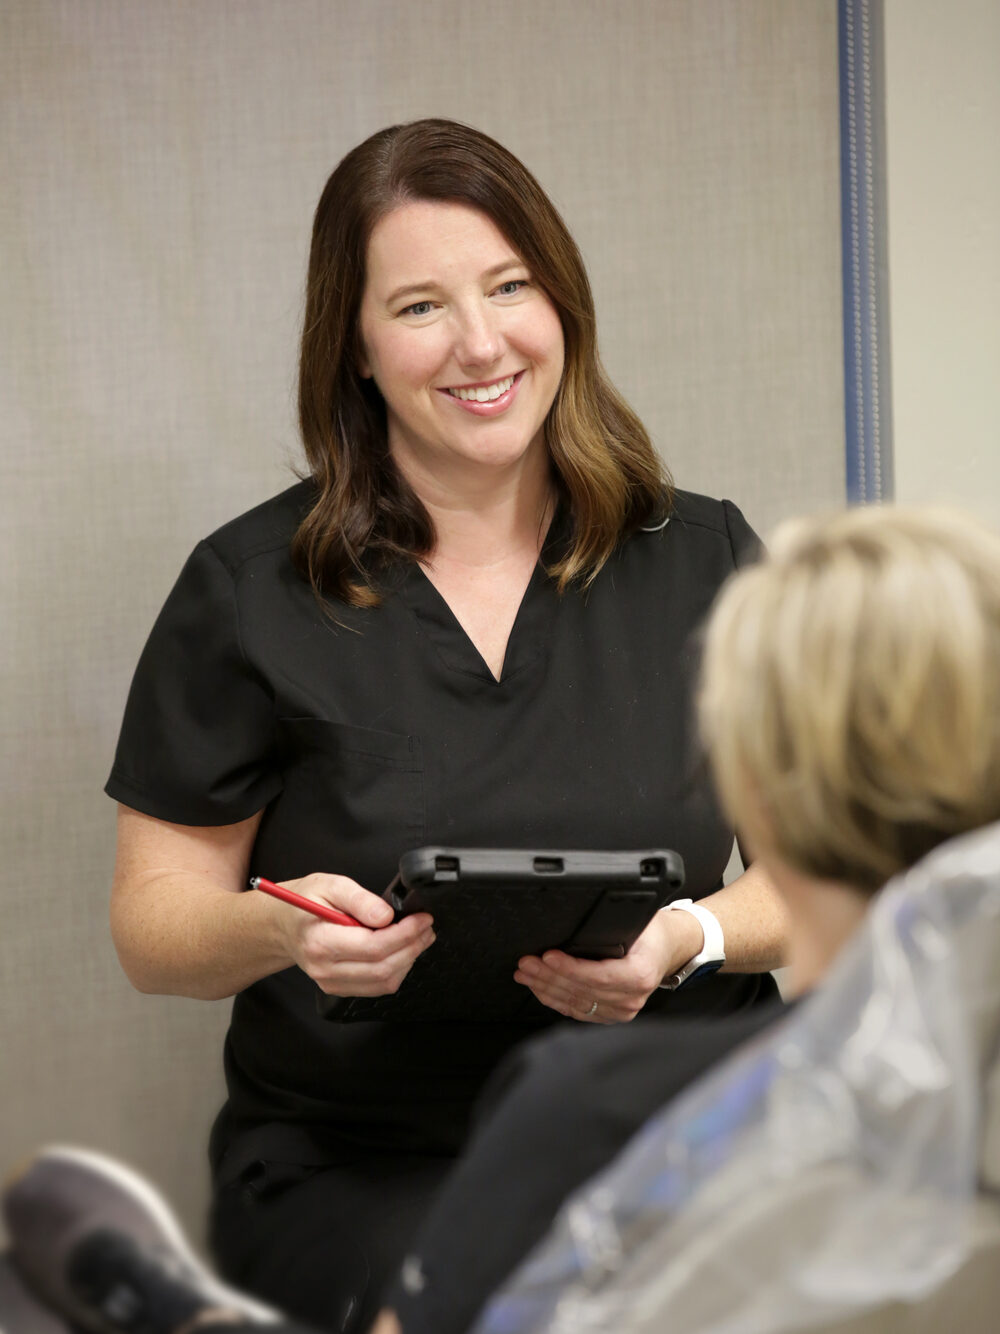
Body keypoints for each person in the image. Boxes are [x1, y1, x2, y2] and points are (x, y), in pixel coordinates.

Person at [104, 117, 786, 1332]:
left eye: (510, 286)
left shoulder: (706, 558)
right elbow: (154, 927)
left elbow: (813, 880)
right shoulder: (250, 586)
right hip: (367, 1151)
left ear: (560, 303)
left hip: (673, 1111)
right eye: (419, 306)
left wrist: (683, 934)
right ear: (355, 348)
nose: (480, 343)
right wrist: (278, 927)